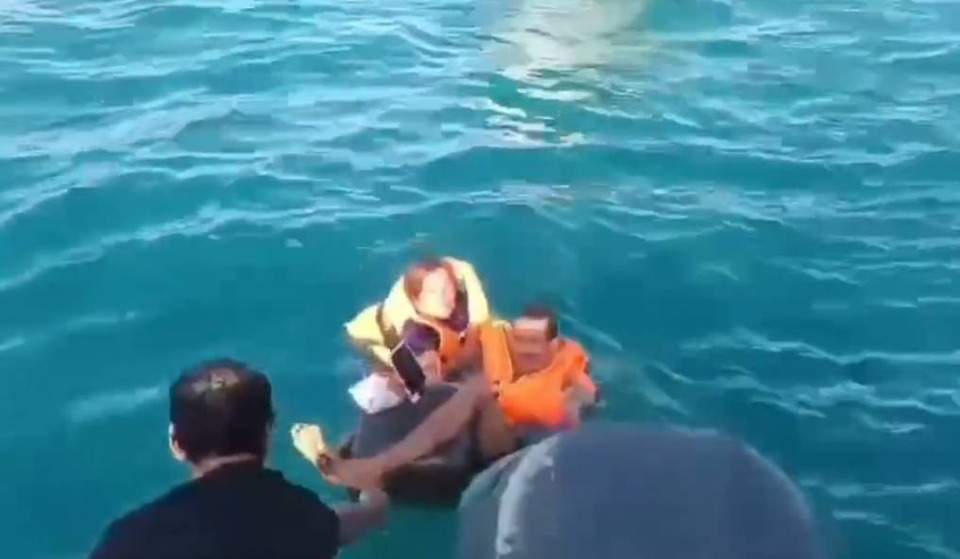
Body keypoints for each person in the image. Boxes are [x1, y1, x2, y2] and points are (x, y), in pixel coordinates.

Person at [89, 359, 388, 559]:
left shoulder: (128, 538)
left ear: (176, 444)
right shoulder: (304, 516)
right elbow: (365, 515)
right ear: (268, 432)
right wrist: (360, 479)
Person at [294, 305, 598, 490]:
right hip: (468, 422)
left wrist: (574, 412)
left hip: (512, 449)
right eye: (519, 339)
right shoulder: (497, 343)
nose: (524, 348)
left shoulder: (571, 372)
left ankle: (375, 467)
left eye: (534, 342)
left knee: (477, 390)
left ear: (554, 344)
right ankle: (333, 459)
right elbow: (456, 364)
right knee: (408, 391)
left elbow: (579, 407)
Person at [345, 256, 491, 381]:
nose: (445, 298)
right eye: (433, 293)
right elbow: (434, 381)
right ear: (417, 302)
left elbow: (479, 317)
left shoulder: (460, 276)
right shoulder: (410, 331)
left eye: (447, 288)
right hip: (367, 335)